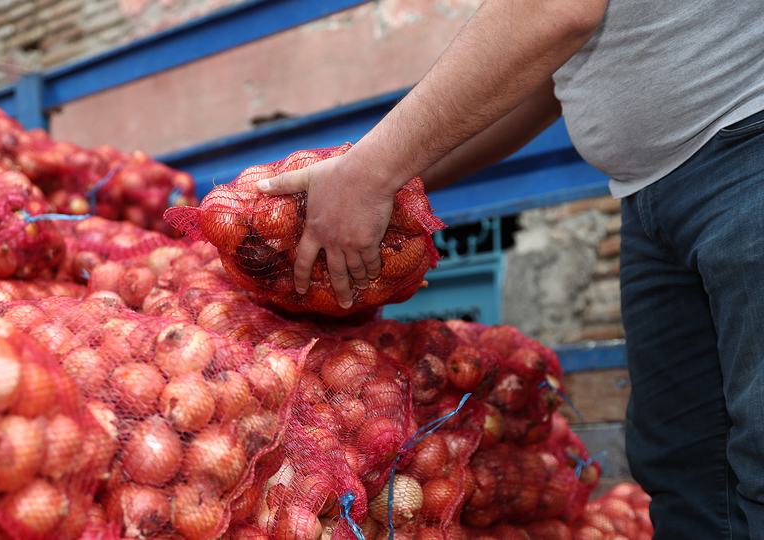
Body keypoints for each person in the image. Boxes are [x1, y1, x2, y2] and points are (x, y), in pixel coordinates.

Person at [256, 0, 764, 538]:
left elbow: (554, 10)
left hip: (747, 156)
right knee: (688, 472)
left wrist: (371, 172)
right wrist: (381, 179)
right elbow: (549, 76)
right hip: (652, 196)